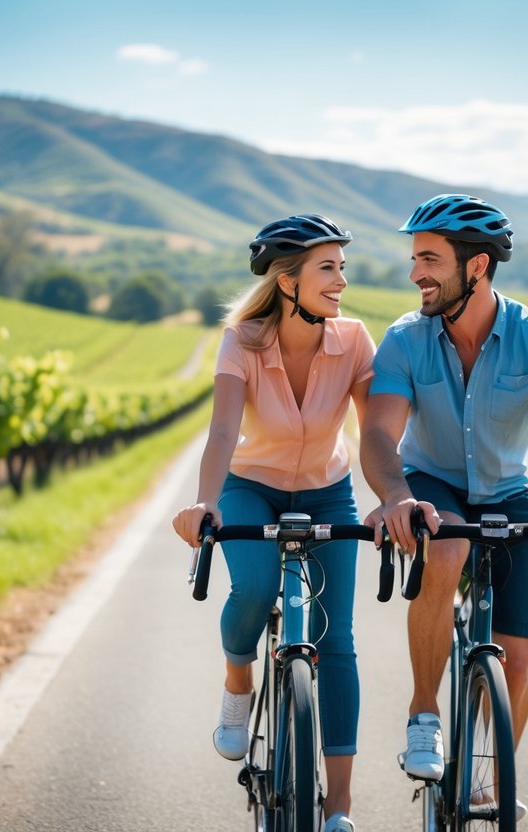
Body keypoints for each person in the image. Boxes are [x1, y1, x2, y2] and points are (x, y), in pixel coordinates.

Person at [360, 194, 528, 821]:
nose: (415, 271)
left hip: (507, 493)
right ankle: (425, 712)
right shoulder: (404, 339)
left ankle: (489, 775)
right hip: (432, 484)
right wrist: (397, 498)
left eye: (429, 259)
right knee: (446, 543)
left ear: (475, 267)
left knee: (519, 659)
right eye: (415, 257)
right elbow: (376, 436)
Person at [172, 213, 375, 832]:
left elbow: (375, 439)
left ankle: (338, 810)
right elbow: (223, 431)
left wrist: (393, 497)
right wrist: (206, 501)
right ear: (287, 281)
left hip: (327, 492)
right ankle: (239, 684)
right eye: (328, 267)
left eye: (342, 266)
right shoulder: (243, 339)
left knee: (336, 639)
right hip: (250, 487)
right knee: (255, 588)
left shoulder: (356, 339)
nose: (342, 279)